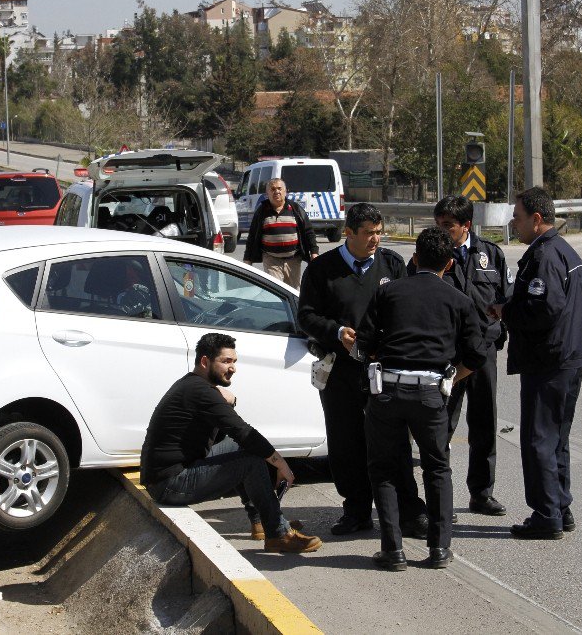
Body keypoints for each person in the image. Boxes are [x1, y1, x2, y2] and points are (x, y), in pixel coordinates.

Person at [354, 226, 487, 570]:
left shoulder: (388, 292)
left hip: (386, 391)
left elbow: (363, 346)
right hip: (431, 394)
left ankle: (393, 550)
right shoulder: (460, 300)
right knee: (437, 469)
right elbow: (476, 355)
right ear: (448, 264)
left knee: (383, 469)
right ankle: (439, 549)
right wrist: (450, 379)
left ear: (414, 259)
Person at [298, 203, 428, 536]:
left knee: (394, 440)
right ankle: (356, 510)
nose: (375, 239)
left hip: (384, 369)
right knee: (346, 442)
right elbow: (307, 316)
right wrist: (336, 332)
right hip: (341, 371)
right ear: (349, 233)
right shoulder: (322, 269)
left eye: (378, 231)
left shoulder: (391, 265)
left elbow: (408, 306)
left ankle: (408, 511)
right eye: (368, 233)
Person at [140, 332, 322, 553]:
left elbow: (221, 437)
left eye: (234, 361)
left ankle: (261, 523)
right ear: (205, 361)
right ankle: (278, 534)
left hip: (170, 476)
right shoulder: (200, 392)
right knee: (252, 460)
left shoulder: (194, 386)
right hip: (170, 484)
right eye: (226, 361)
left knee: (242, 449)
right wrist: (281, 464)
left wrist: (229, 402)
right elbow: (242, 431)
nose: (233, 368)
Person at [489, 187, 582, 540]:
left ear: (536, 220)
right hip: (567, 358)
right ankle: (560, 507)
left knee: (539, 439)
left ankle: (546, 514)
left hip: (548, 360)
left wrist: (506, 311)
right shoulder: (563, 250)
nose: (513, 224)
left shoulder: (546, 256)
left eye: (517, 218)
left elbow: (542, 310)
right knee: (556, 438)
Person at [408, 196, 511, 517]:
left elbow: (504, 301)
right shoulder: (426, 258)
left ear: (466, 226)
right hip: (445, 356)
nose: (441, 230)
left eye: (447, 225)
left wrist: (498, 330)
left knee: (484, 423)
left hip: (482, 354)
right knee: (441, 426)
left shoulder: (491, 255)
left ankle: (481, 494)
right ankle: (440, 499)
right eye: (438, 224)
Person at [243, 178, 319, 289]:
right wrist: (247, 259)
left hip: (293, 259)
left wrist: (314, 252)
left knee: (293, 291)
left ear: (285, 191)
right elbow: (252, 236)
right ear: (267, 193)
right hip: (271, 259)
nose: (276, 192)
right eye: (273, 189)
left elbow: (309, 232)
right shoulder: (262, 211)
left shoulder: (295, 209)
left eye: (279, 188)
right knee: (275, 290)